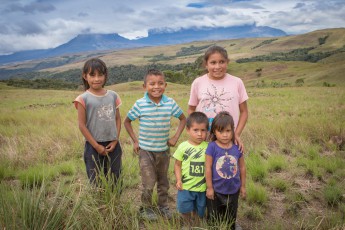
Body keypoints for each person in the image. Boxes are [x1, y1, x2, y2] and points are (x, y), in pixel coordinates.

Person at [124, 69, 186, 221]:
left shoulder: (170, 103)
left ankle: (163, 207)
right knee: (149, 181)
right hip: (146, 151)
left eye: (160, 83)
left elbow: (183, 119)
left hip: (164, 151)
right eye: (152, 84)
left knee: (163, 182)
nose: (156, 87)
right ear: (144, 86)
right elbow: (127, 121)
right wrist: (135, 141)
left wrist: (175, 137)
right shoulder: (140, 104)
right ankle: (145, 209)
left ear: (165, 85)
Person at [73, 58, 122, 190]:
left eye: (100, 75)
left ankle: (114, 203)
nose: (97, 79)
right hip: (93, 146)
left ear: (105, 75)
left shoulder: (113, 96)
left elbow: (118, 119)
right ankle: (100, 205)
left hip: (113, 145)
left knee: (115, 176)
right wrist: (96, 146)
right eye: (92, 75)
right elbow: (82, 125)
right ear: (85, 76)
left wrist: (116, 140)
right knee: (96, 178)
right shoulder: (82, 99)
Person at [188, 45, 248, 151]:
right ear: (206, 64)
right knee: (205, 166)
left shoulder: (237, 82)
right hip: (204, 140)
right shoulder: (198, 83)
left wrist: (236, 134)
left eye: (222, 62)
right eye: (213, 63)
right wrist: (197, 132)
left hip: (228, 139)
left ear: (227, 62)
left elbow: (244, 112)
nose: (217, 67)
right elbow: (191, 110)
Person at [205, 111, 246, 230]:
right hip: (216, 191)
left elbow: (242, 167)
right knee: (213, 218)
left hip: (233, 190)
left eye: (228, 131)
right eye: (220, 131)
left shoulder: (237, 148)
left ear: (233, 130)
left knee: (231, 217)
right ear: (214, 131)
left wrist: (243, 186)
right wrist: (210, 188)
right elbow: (208, 168)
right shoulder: (212, 147)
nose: (225, 135)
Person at [173, 112, 209, 228]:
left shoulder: (208, 147)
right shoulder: (183, 147)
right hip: (186, 187)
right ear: (188, 130)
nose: (200, 134)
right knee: (185, 207)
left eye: (203, 130)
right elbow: (177, 165)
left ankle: (197, 224)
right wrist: (178, 180)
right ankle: (187, 224)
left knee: (200, 208)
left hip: (202, 187)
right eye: (196, 130)